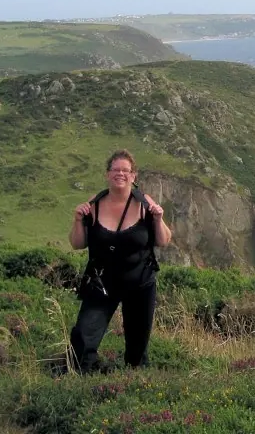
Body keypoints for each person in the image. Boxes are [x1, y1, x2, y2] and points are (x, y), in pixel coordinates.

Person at [68, 149, 172, 372]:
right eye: (116, 170)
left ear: (134, 176)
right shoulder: (94, 205)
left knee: (137, 351)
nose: (120, 174)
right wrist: (77, 219)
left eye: (126, 170)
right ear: (107, 174)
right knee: (83, 341)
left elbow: (163, 241)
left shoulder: (145, 204)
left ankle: (130, 388)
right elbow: (77, 244)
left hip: (140, 284)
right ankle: (87, 381)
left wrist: (159, 218)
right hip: (102, 283)